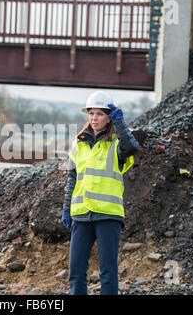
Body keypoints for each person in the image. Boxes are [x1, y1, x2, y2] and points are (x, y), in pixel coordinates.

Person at [62, 91, 140, 295]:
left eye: (99, 114)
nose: (94, 118)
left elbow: (131, 148)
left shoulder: (116, 142)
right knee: (76, 271)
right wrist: (67, 208)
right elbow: (72, 179)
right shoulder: (78, 143)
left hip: (108, 214)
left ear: (109, 117)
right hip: (81, 213)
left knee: (108, 272)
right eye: (91, 113)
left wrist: (121, 124)